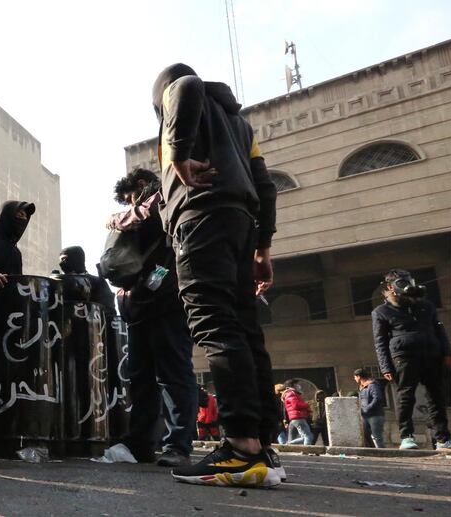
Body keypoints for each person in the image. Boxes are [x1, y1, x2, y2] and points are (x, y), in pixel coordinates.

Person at [151, 64, 281, 487]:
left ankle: (240, 447)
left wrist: (176, 152)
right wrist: (263, 248)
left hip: (201, 220)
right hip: (240, 225)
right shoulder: (241, 126)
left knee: (215, 324)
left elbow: (185, 85)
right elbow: (266, 187)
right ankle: (262, 447)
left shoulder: (184, 92)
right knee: (245, 331)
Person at [104, 168, 197, 467]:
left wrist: (117, 218)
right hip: (140, 306)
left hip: (167, 302)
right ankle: (141, 443)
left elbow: (145, 214)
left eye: (130, 197)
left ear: (142, 186)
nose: (128, 205)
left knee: (173, 374)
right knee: (141, 378)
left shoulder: (162, 197)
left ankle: (177, 445)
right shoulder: (139, 214)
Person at [372, 269, 451, 450]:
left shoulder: (426, 306)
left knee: (436, 397)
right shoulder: (381, 311)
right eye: (401, 283)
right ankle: (406, 436)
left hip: (432, 355)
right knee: (406, 396)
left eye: (409, 281)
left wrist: (447, 354)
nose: (407, 286)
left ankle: (443, 438)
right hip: (404, 357)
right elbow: (380, 341)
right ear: (390, 287)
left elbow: (440, 331)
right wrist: (385, 366)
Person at [55, 246, 116, 315]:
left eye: (64, 259)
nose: (61, 263)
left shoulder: (97, 282)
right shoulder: (58, 282)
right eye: (60, 260)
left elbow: (109, 310)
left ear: (76, 258)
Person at [354, 369, 387, 448]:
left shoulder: (372, 385)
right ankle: (373, 452)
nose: (354, 379)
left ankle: (383, 453)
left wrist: (367, 408)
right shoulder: (362, 387)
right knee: (365, 435)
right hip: (365, 416)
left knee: (377, 437)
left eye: (355, 377)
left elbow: (377, 398)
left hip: (375, 415)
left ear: (359, 377)